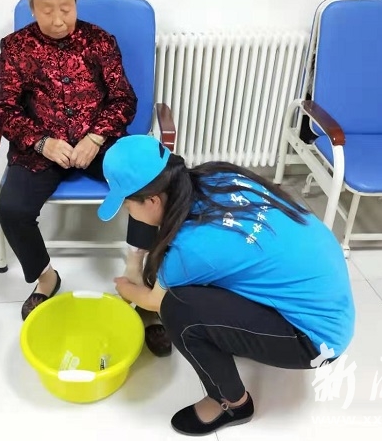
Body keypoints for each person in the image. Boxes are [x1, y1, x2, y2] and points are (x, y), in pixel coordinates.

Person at [97, 135, 355, 436]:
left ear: (152, 200)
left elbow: (154, 301)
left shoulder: (190, 251)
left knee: (177, 309)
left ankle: (232, 403)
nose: (128, 213)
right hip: (328, 294)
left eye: (127, 206)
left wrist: (126, 288)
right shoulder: (215, 176)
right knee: (189, 283)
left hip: (316, 338)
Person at [0, 0, 171, 356]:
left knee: (152, 190)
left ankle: (139, 281)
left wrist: (96, 135)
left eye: (65, 8)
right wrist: (42, 142)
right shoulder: (16, 48)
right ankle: (46, 278)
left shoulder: (100, 41)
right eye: (47, 10)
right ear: (32, 7)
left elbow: (124, 99)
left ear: (75, 2)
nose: (58, 20)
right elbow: (4, 110)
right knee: (12, 209)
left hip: (99, 143)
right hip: (43, 149)